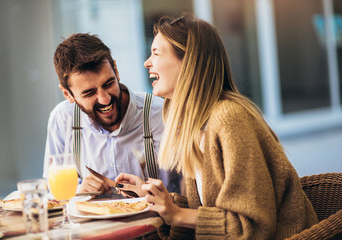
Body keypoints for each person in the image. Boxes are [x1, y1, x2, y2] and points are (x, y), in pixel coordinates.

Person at [115, 15, 318, 239]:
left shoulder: (229, 118)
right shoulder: (194, 126)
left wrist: (177, 215)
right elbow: (206, 212)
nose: (147, 62)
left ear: (188, 61)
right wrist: (151, 198)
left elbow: (253, 228)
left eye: (155, 53)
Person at [43, 33, 180, 195]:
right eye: (89, 93)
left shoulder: (163, 115)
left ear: (115, 70)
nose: (104, 99)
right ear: (67, 94)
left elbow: (190, 197)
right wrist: (78, 191)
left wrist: (151, 195)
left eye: (108, 84)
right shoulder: (62, 119)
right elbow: (52, 190)